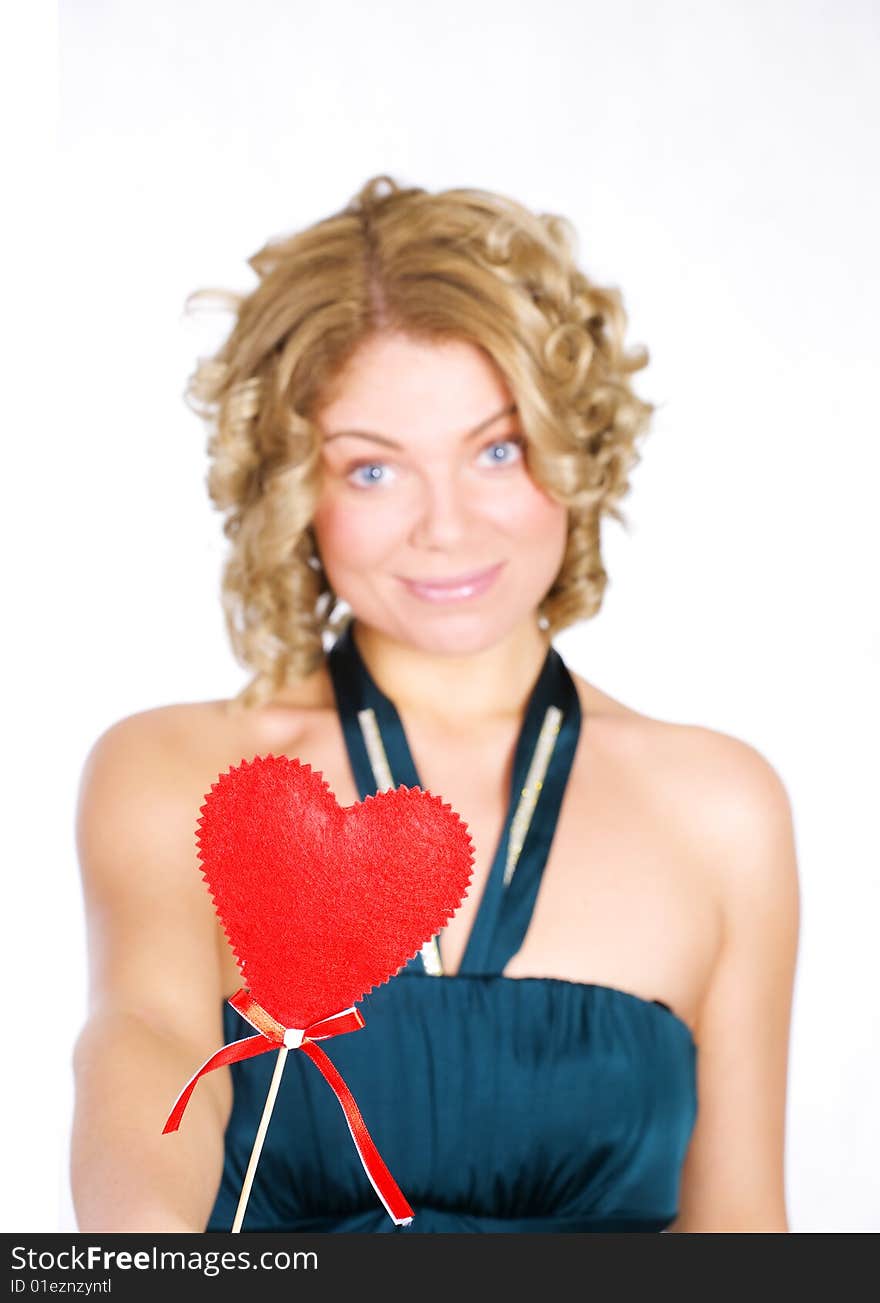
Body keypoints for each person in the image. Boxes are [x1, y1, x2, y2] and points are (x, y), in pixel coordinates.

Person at [70, 174, 800, 1233]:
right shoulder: (173, 772)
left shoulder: (721, 809)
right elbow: (139, 1069)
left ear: (573, 450)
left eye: (496, 451)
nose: (445, 528)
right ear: (290, 487)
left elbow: (742, 1232)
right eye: (373, 472)